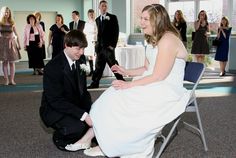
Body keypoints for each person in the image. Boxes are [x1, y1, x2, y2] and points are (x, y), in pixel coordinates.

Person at [65, 4, 190, 158]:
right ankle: (95, 140)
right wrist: (126, 71)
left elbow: (158, 76)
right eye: (141, 18)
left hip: (166, 89)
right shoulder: (154, 39)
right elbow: (146, 68)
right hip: (153, 82)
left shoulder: (168, 40)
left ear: (157, 20)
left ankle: (110, 145)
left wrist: (129, 84)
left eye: (145, 19)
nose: (141, 22)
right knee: (111, 96)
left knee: (122, 99)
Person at [40, 30, 92, 151]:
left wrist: (90, 110)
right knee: (78, 127)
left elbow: (83, 91)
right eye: (78, 49)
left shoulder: (81, 60)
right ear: (66, 45)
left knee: (96, 118)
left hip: (73, 104)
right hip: (55, 109)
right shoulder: (52, 67)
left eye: (83, 48)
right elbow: (55, 100)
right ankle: (59, 137)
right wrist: (83, 115)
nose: (81, 52)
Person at [88, 0, 125, 89]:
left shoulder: (112, 17)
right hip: (100, 48)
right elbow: (98, 34)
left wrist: (112, 46)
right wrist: (96, 47)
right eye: (102, 6)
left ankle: (122, 81)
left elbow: (116, 32)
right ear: (99, 7)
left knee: (113, 65)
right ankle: (95, 83)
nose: (104, 8)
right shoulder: (97, 20)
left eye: (105, 6)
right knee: (98, 67)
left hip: (109, 48)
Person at [0, 6, 21, 85]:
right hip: (2, 43)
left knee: (12, 62)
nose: (6, 14)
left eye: (8, 12)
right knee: (4, 62)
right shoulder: (0, 23)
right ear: (3, 13)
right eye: (5, 12)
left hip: (11, 43)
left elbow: (16, 34)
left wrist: (18, 44)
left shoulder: (12, 23)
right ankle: (6, 80)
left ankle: (12, 80)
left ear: (9, 13)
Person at [83, 9, 97, 76]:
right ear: (88, 15)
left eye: (92, 14)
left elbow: (98, 32)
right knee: (90, 56)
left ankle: (96, 70)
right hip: (88, 40)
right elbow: (84, 32)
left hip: (95, 41)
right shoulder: (86, 23)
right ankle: (91, 70)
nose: (91, 16)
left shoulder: (97, 22)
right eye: (90, 15)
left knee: (96, 56)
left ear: (94, 14)